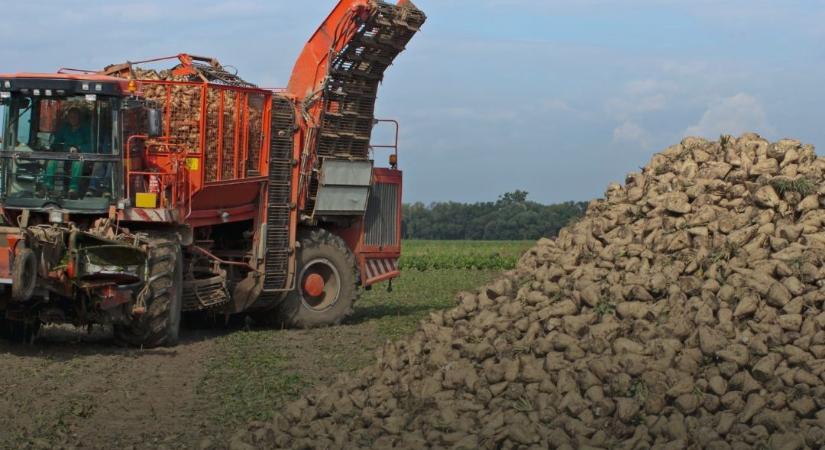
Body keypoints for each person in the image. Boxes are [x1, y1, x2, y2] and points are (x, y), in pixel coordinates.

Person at [43, 107, 91, 199]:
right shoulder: (64, 128)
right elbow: (56, 143)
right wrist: (51, 148)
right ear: (68, 118)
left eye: (75, 116)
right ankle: (48, 185)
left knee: (77, 161)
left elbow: (91, 145)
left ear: (80, 117)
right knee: (52, 161)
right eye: (71, 117)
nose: (73, 119)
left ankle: (73, 189)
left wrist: (78, 148)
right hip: (64, 155)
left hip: (81, 156)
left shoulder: (86, 129)